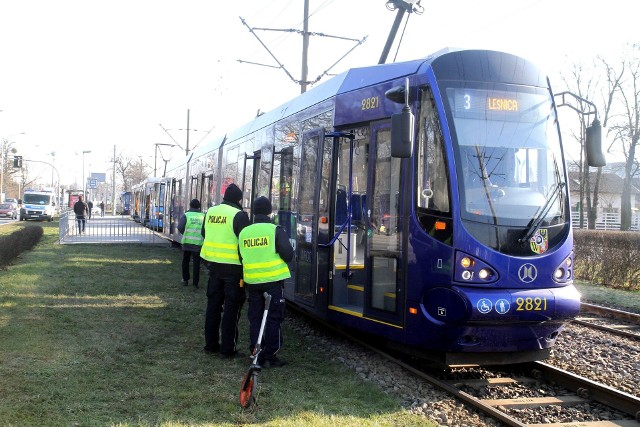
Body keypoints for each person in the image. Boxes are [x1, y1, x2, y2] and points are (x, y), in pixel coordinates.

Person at [239, 196, 294, 368]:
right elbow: (288, 254)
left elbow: (241, 256)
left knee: (255, 318)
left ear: (254, 212)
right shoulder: (275, 230)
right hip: (273, 282)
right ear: (270, 211)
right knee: (273, 318)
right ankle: (271, 356)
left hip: (252, 282)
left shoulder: (244, 233)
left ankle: (256, 352)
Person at [200, 183, 250, 358]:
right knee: (231, 308)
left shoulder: (211, 212)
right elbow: (246, 242)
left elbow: (204, 233)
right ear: (238, 199)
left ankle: (210, 345)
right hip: (234, 270)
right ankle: (228, 349)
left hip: (213, 267)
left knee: (213, 306)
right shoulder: (239, 215)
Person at [178, 199, 205, 289]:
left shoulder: (186, 215)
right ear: (199, 206)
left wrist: (185, 233)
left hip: (187, 242)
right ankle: (195, 283)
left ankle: (185, 280)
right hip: (198, 243)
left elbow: (180, 227)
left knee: (185, 261)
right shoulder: (203, 216)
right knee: (196, 263)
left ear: (190, 206)